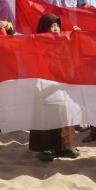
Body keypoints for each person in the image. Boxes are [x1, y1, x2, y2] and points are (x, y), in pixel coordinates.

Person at [29, 14, 79, 162]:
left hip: (62, 85)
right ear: (44, 28)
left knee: (64, 112)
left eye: (57, 25)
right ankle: (46, 148)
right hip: (43, 86)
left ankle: (65, 147)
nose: (55, 28)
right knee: (47, 115)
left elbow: (73, 54)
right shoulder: (36, 42)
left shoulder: (63, 41)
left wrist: (76, 36)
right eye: (52, 25)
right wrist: (7, 28)